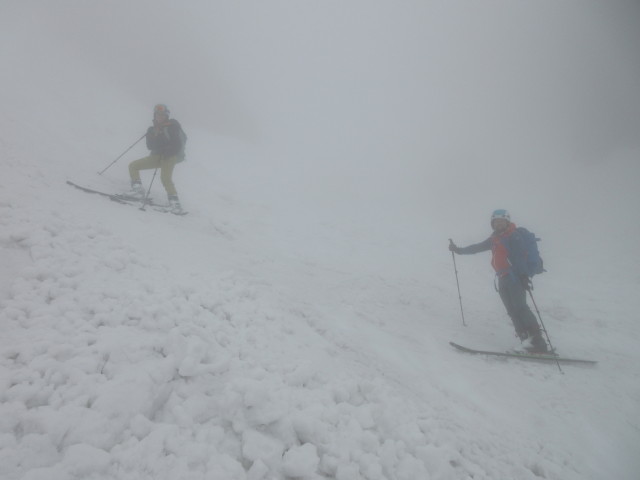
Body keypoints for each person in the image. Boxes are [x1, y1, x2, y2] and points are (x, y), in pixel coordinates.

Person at [449, 209, 548, 353]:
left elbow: (520, 257)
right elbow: (477, 247)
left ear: (507, 222)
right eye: (496, 222)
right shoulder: (495, 239)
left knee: (520, 307)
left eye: (501, 222)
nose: (499, 224)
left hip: (515, 277)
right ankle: (525, 341)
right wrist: (458, 250)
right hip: (502, 278)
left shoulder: (514, 237)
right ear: (492, 224)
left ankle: (537, 342)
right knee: (512, 310)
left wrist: (524, 276)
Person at [127, 104, 184, 213]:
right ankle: (137, 191)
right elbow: (150, 146)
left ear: (166, 115)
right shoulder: (152, 129)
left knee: (165, 178)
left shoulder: (172, 126)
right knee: (133, 165)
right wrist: (152, 134)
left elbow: (177, 145)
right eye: (158, 114)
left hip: (169, 157)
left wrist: (166, 152)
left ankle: (175, 205)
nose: (160, 116)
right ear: (155, 115)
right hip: (157, 156)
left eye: (162, 115)